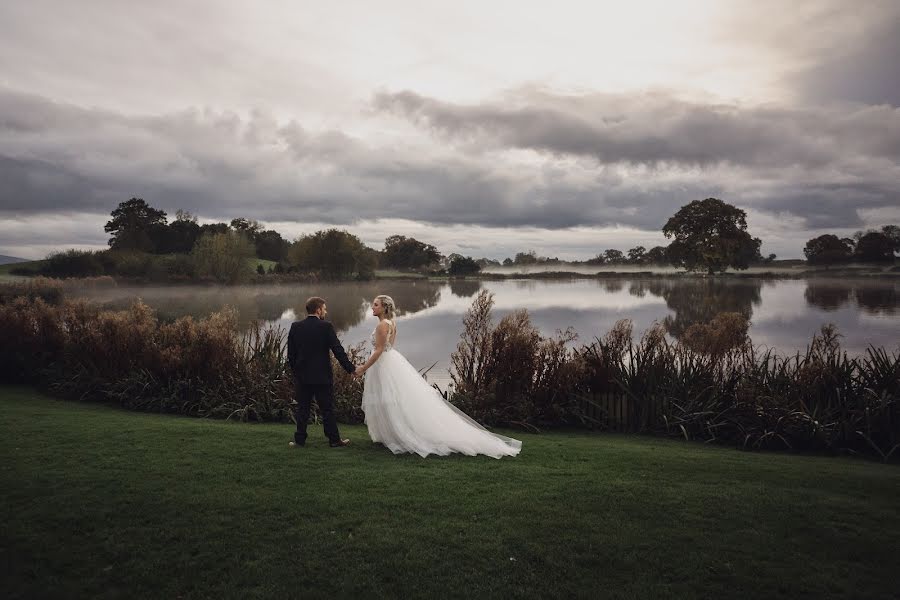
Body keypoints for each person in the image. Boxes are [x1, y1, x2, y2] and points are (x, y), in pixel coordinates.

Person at [355, 295, 521, 459]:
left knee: (389, 400)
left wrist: (363, 368)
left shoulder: (383, 325)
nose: (372, 307)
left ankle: (398, 435)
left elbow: (378, 350)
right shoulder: (392, 323)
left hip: (384, 364)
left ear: (384, 307)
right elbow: (390, 347)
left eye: (375, 305)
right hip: (389, 361)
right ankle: (390, 435)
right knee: (391, 400)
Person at [286, 296, 357, 448]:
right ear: (318, 310)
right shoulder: (326, 327)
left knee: (303, 409)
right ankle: (334, 440)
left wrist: (296, 372)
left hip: (303, 376)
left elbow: (291, 355)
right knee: (327, 409)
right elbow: (338, 350)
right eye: (324, 308)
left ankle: (299, 441)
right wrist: (351, 369)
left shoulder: (296, 327)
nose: (325, 311)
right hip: (322, 376)